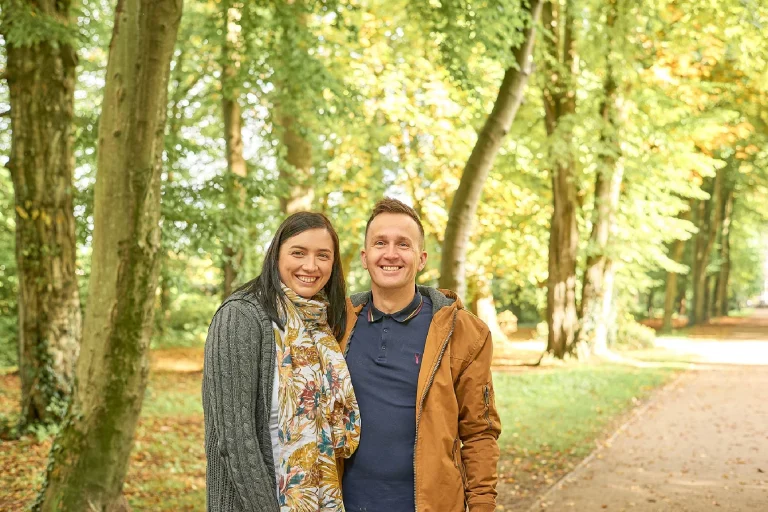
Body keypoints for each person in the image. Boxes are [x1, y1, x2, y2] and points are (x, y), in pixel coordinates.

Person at [340, 198, 502, 512]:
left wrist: (482, 506)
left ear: (422, 258)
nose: (390, 254)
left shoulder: (464, 333)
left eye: (403, 244)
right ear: (365, 256)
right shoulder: (337, 325)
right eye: (380, 243)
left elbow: (480, 431)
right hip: (346, 504)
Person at [203, 212, 361, 512]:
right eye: (298, 252)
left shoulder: (320, 321)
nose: (310, 266)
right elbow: (235, 442)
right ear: (276, 255)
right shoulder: (241, 317)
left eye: (323, 256)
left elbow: (386, 298)